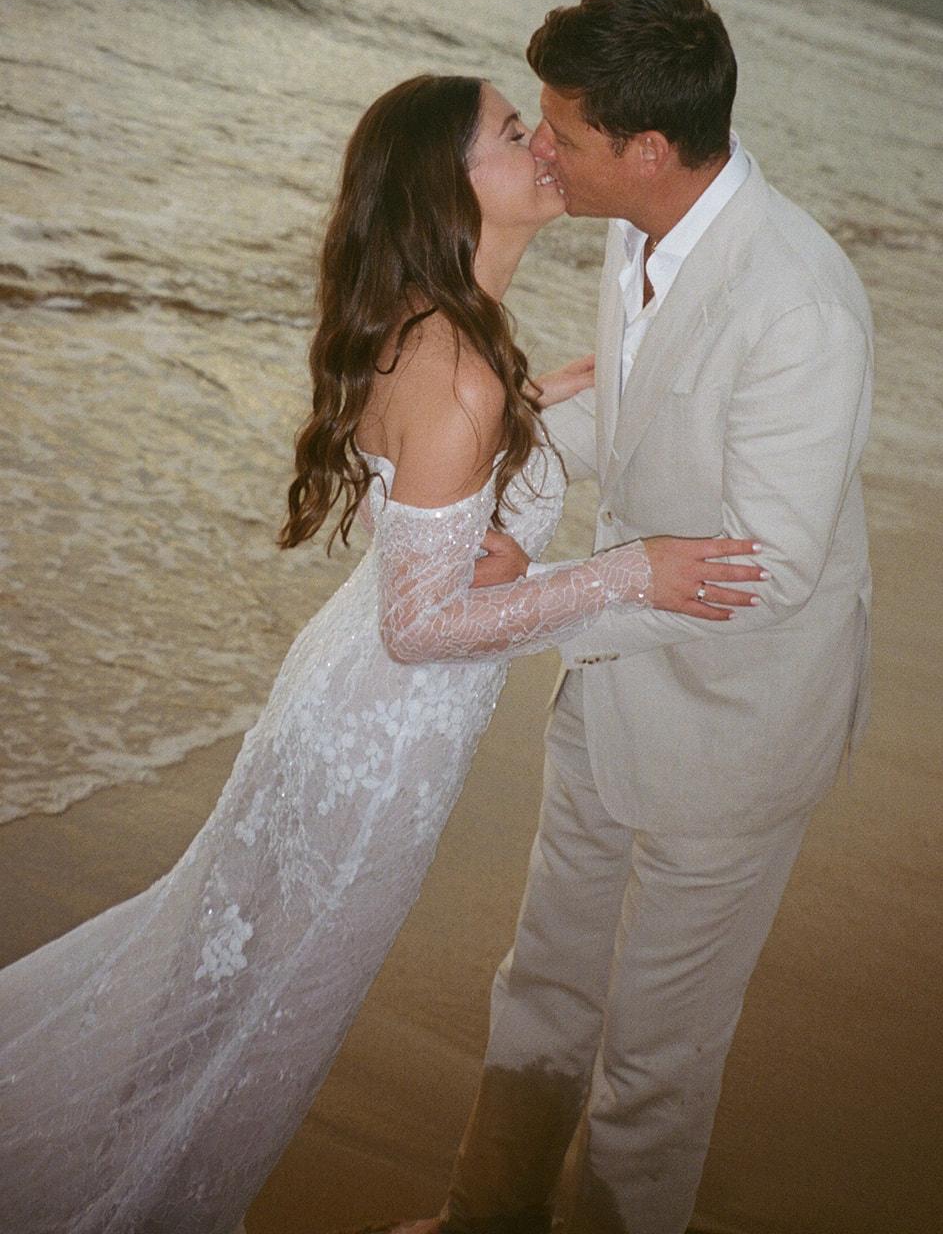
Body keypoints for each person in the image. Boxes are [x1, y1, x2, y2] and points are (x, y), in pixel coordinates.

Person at [0, 73, 765, 1234]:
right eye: (513, 134)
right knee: (254, 1017)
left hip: (342, 710)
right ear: (449, 189)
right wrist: (630, 572)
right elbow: (420, 627)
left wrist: (589, 394)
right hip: (371, 750)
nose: (542, 144)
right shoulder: (453, 368)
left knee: (213, 996)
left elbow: (474, 458)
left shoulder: (449, 334)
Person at [380, 0, 874, 1234]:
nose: (541, 152)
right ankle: (483, 1216)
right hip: (609, 697)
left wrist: (543, 598)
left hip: (733, 728)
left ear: (646, 150)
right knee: (541, 980)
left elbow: (766, 566)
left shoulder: (797, 303)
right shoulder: (638, 227)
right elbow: (635, 408)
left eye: (563, 134)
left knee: (654, 1059)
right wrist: (514, 455)